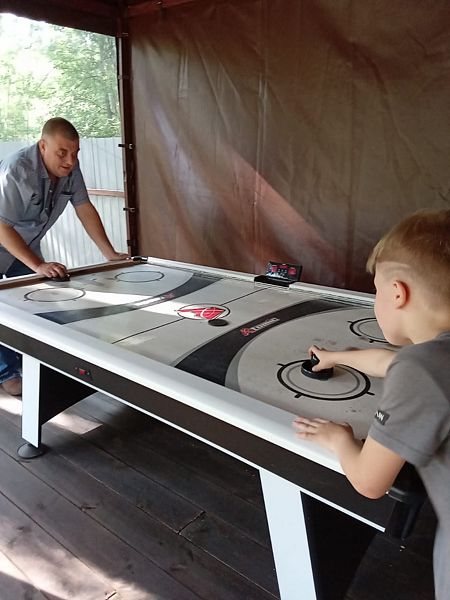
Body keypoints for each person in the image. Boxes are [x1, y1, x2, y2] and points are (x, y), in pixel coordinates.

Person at [293, 209, 450, 600]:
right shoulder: (434, 358)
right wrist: (337, 357)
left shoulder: (421, 369)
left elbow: (369, 481)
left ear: (398, 293)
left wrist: (338, 439)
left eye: (376, 290)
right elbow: (392, 363)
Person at [0, 117, 128, 397]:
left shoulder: (70, 168)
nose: (70, 160)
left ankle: (33, 363)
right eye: (62, 153)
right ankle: (7, 374)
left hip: (25, 245)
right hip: (4, 237)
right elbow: (2, 226)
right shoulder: (17, 170)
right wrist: (38, 265)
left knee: (35, 301)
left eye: (75, 152)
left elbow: (84, 207)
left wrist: (110, 254)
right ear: (43, 146)